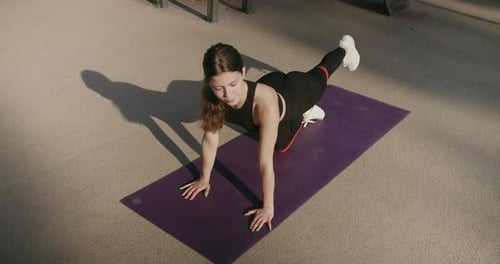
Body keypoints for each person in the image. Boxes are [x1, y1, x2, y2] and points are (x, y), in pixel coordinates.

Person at [180, 35, 360, 232]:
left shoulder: (264, 105)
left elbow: (265, 162)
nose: (228, 95)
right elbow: (210, 139)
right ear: (209, 83)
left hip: (295, 93)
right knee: (279, 144)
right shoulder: (211, 94)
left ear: (242, 73)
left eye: (233, 85)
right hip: (270, 87)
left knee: (320, 74)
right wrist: (204, 178)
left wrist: (268, 207)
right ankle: (301, 115)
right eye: (218, 88)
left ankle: (344, 49)